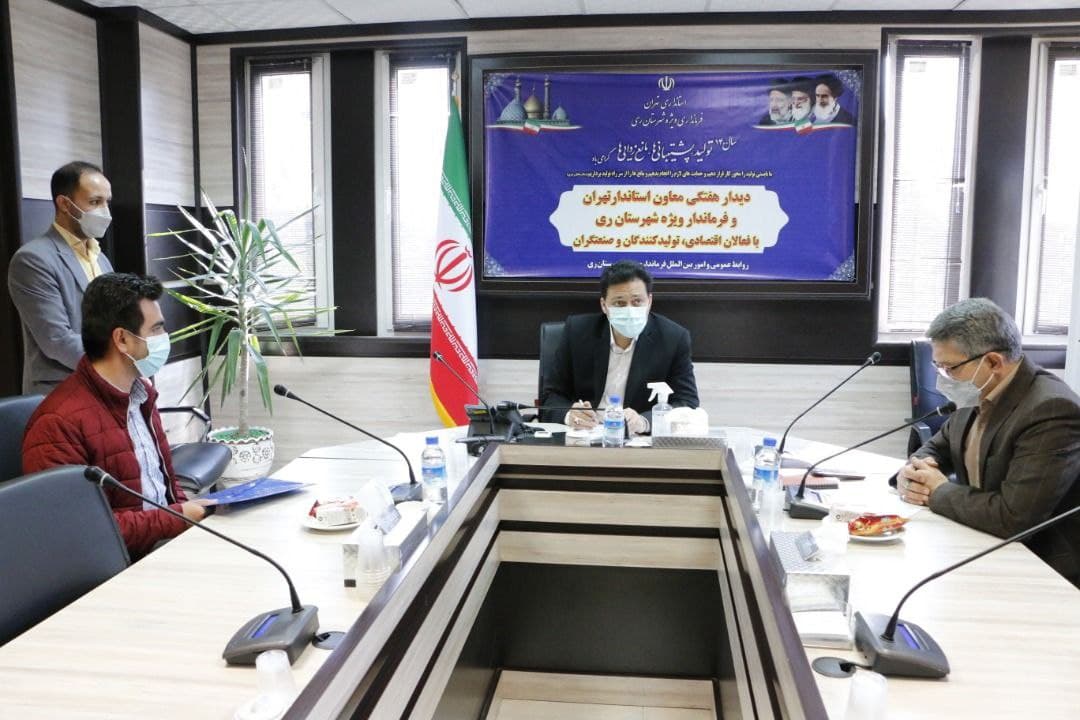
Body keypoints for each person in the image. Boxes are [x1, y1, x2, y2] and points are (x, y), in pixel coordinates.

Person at [22, 273, 212, 560]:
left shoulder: (141, 394)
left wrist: (186, 519)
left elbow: (166, 486)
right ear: (122, 339)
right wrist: (176, 518)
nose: (165, 337)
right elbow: (80, 531)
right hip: (117, 566)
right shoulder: (57, 424)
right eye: (157, 329)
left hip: (161, 546)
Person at [896, 298, 1080, 587]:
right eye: (938, 366)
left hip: (1040, 568)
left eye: (950, 368)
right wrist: (912, 473)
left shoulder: (1051, 410)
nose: (942, 379)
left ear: (993, 362)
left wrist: (938, 491)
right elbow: (935, 448)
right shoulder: (976, 391)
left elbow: (1014, 518)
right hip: (979, 542)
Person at [540, 260, 699, 435]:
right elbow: (550, 397)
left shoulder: (673, 338)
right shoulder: (577, 332)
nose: (630, 310)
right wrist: (569, 414)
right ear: (604, 305)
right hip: (583, 435)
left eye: (637, 301)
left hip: (637, 438)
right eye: (619, 303)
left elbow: (687, 402)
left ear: (650, 301)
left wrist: (644, 422)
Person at [8, 161, 116, 395]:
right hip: (62, 393)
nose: (105, 212)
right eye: (95, 202)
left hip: (106, 388)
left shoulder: (100, 258)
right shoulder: (33, 259)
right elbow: (56, 339)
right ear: (65, 204)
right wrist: (117, 363)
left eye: (107, 201)